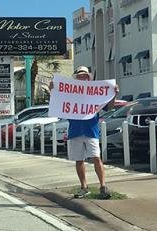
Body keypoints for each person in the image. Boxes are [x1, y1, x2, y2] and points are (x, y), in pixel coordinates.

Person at [49, 66, 118, 199]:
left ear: (88, 77)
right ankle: (84, 187)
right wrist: (52, 90)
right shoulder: (70, 93)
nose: (82, 78)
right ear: (76, 78)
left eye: (85, 76)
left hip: (91, 131)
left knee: (96, 158)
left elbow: (110, 107)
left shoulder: (95, 92)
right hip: (75, 131)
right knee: (79, 160)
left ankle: (103, 186)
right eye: (80, 76)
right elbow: (58, 102)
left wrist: (114, 94)